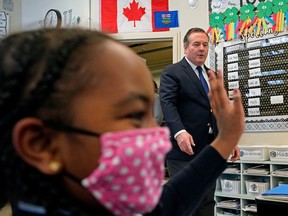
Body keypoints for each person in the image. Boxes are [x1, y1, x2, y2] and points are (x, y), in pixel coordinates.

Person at [0, 28, 244, 216]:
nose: (155, 135)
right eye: (134, 115)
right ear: (40, 144)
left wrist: (225, 140)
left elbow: (169, 203)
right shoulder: (175, 72)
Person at [159, 27, 241, 216]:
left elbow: (219, 110)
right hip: (182, 150)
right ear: (186, 48)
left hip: (208, 149)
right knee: (187, 203)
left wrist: (228, 139)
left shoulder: (211, 75)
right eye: (196, 44)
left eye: (205, 44)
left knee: (207, 200)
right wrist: (179, 133)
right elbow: (168, 103)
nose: (201, 48)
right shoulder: (173, 72)